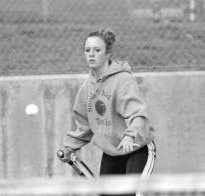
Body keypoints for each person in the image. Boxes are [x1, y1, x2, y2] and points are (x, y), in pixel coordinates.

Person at [59, 29, 156, 196]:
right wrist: (69, 148)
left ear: (108, 53)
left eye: (97, 50)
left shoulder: (123, 81)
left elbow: (138, 114)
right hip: (112, 152)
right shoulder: (86, 88)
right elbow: (84, 126)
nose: (91, 54)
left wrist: (130, 135)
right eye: (87, 50)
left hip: (137, 149)